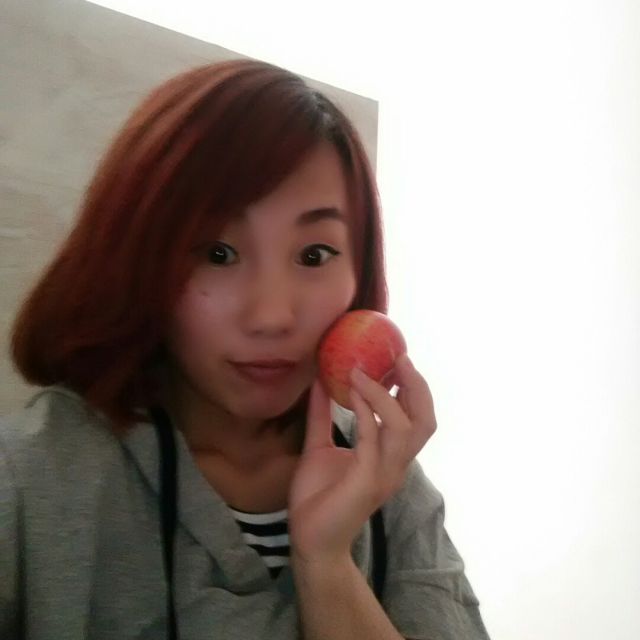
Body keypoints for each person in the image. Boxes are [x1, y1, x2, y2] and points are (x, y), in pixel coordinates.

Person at [0, 59, 490, 639]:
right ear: (139, 257)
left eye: (314, 255)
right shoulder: (32, 476)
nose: (271, 316)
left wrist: (328, 565)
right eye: (218, 253)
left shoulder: (386, 484)